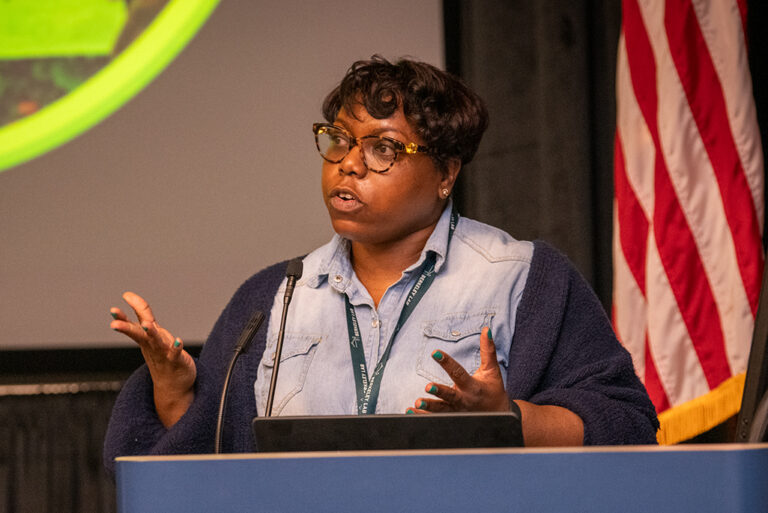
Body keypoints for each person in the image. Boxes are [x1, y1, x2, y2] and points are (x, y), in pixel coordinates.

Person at [103, 56, 658, 472]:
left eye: (383, 149)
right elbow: (215, 457)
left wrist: (510, 419)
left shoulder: (525, 279)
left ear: (446, 173)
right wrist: (174, 392)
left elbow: (627, 426)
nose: (348, 164)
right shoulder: (274, 296)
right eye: (340, 139)